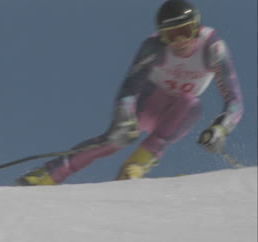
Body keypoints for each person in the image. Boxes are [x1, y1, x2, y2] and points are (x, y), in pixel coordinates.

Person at [14, 0, 243, 186]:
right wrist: (123, 120)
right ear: (162, 36)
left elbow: (234, 99)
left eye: (185, 31)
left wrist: (220, 129)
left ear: (197, 27)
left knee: (191, 105)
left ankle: (134, 168)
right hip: (150, 101)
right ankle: (47, 175)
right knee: (114, 141)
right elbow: (129, 90)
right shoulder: (153, 47)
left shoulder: (212, 47)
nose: (180, 41)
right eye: (171, 36)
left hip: (178, 110)